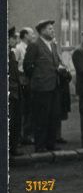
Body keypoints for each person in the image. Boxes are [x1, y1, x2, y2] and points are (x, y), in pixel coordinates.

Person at [23, 19, 69, 153]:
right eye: (50, 28)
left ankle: (51, 144)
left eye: (52, 28)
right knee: (41, 117)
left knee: (53, 115)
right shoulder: (35, 45)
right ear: (42, 31)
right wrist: (38, 77)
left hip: (54, 85)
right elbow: (27, 65)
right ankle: (40, 146)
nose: (53, 30)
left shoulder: (53, 45)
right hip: (41, 87)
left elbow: (55, 63)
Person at [14, 27, 35, 145]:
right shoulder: (18, 48)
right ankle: (20, 136)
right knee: (23, 109)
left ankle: (27, 135)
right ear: (25, 35)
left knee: (29, 109)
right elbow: (15, 66)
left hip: (30, 79)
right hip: (22, 80)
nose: (33, 36)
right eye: (31, 34)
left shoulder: (30, 48)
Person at [8, 27, 23, 157]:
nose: (16, 41)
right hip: (9, 93)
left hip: (15, 92)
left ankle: (13, 148)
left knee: (15, 122)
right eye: (13, 38)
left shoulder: (11, 53)